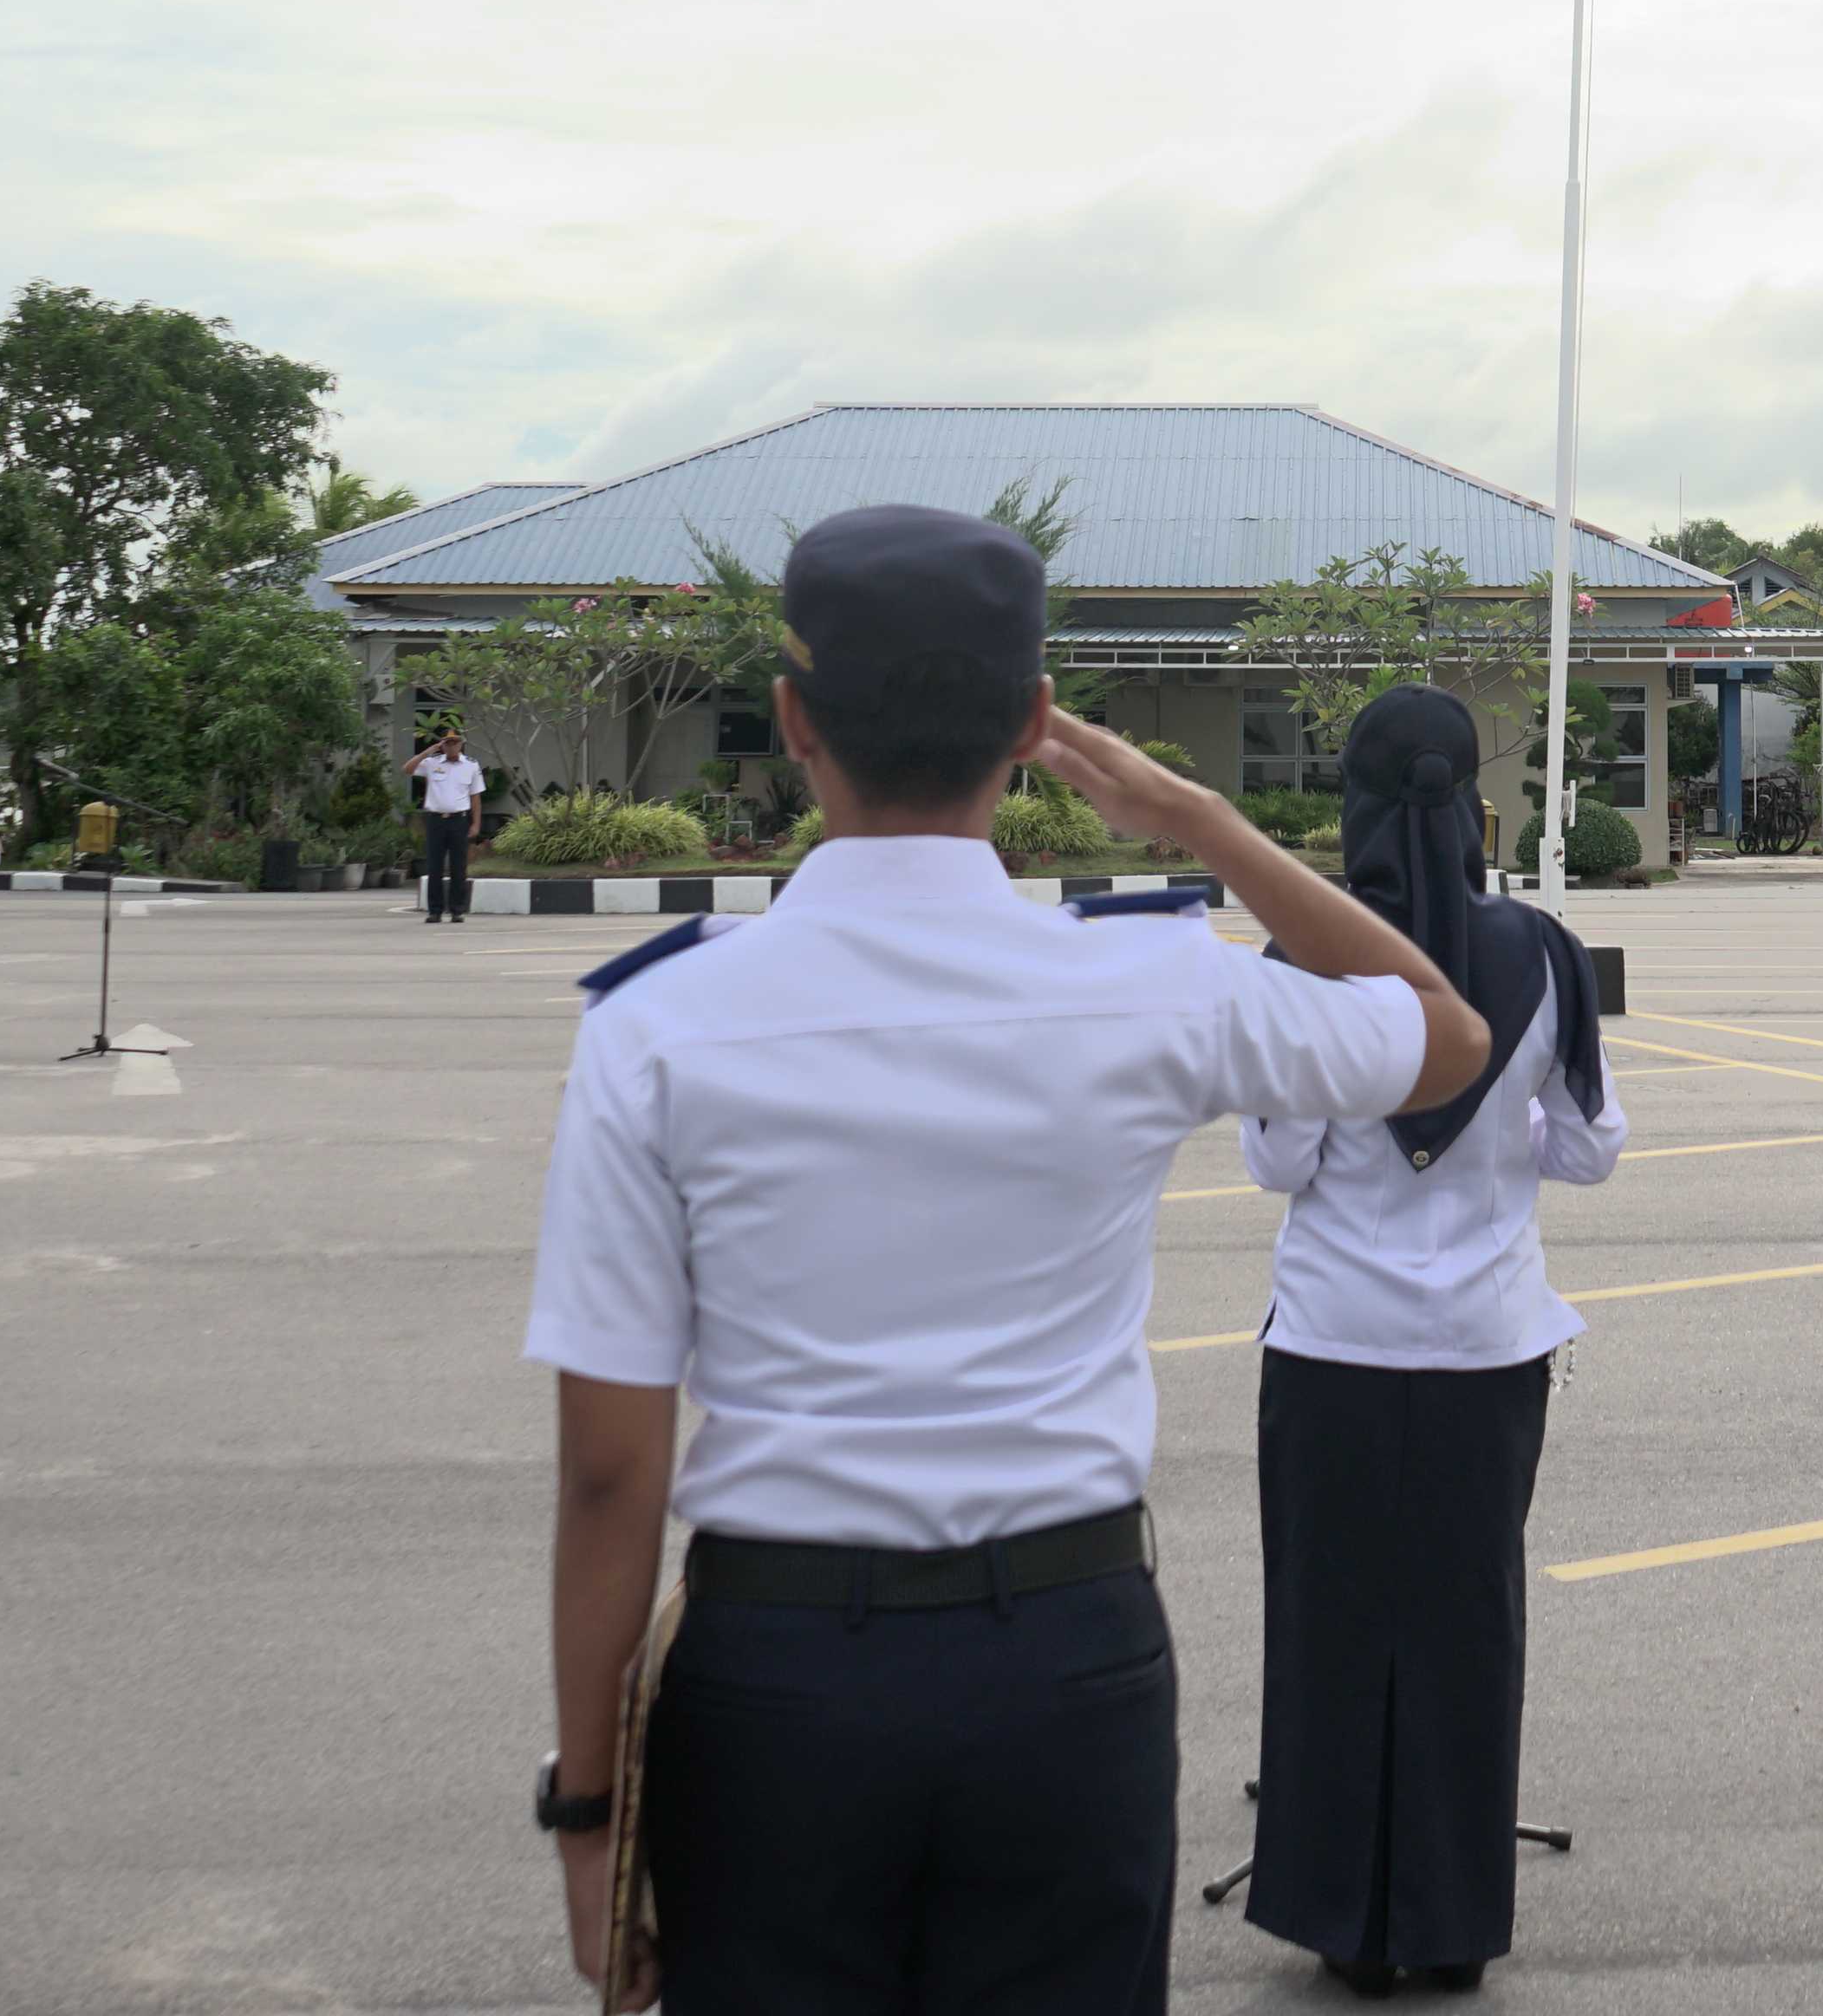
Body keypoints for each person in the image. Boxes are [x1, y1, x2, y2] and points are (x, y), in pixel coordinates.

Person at [524, 505, 1494, 2016]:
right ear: (1037, 724)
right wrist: (1204, 827)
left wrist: (591, 1820)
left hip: (777, 1686)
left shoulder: (660, 1023)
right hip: (1064, 1668)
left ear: (792, 721)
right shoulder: (1146, 979)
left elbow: (608, 1473)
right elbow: (1445, 1038)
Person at [1238, 683, 1622, 1999]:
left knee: (1331, 1627)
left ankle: (1345, 1925)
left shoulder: (1304, 960)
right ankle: (1451, 1924)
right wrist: (1494, 1134)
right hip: (1486, 1343)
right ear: (1471, 800)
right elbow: (1592, 1151)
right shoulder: (1543, 952)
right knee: (1467, 1632)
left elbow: (1275, 1162)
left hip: (1335, 1344)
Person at [417, 726, 487, 925]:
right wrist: (429, 751)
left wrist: (475, 824)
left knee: (459, 867)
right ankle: (435, 911)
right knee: (435, 867)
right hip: (436, 820)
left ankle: (457, 910)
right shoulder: (431, 763)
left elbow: (476, 797)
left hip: (459, 820)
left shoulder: (471, 765)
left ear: (461, 744)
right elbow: (407, 769)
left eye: (455, 742)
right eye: (447, 742)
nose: (451, 745)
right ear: (442, 744)